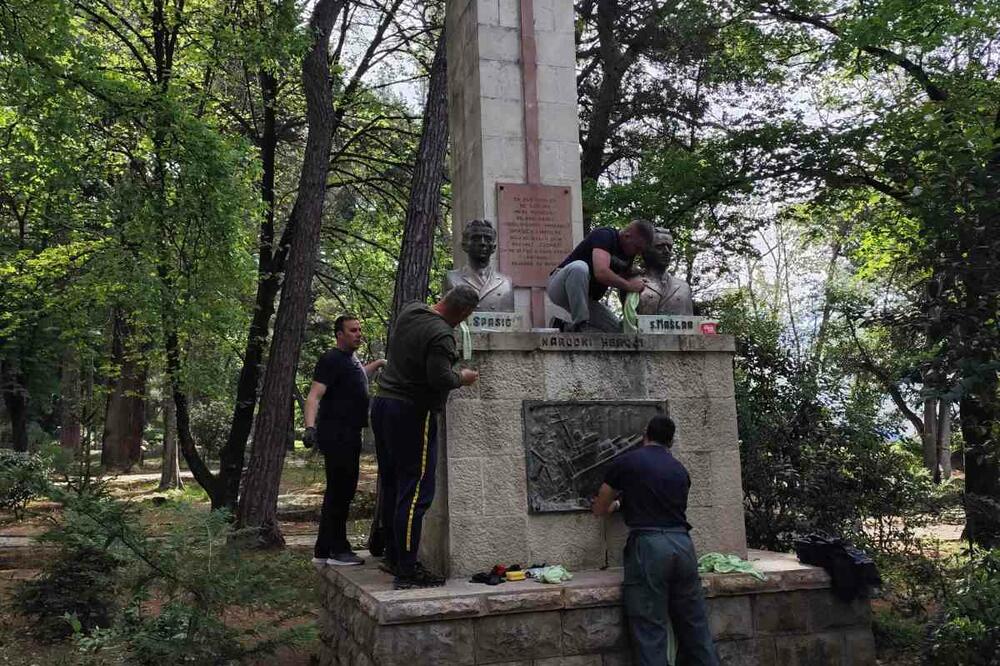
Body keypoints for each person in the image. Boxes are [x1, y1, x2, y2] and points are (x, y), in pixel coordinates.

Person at [371, 285, 480, 589]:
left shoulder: (411, 311)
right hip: (412, 413)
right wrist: (464, 378)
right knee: (417, 490)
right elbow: (440, 377)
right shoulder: (442, 335)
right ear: (463, 312)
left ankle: (393, 556)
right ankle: (407, 569)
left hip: (383, 405)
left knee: (393, 483)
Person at [592, 415, 719, 666]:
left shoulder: (627, 462)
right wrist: (622, 504)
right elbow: (657, 500)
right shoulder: (680, 470)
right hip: (682, 545)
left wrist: (604, 507)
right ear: (670, 441)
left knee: (650, 627)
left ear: (645, 434)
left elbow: (601, 505)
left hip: (649, 547)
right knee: (694, 625)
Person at [304, 315, 386, 566]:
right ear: (339, 334)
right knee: (341, 490)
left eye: (360, 330)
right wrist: (309, 427)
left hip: (350, 432)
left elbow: (358, 375)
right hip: (337, 433)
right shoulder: (330, 359)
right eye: (353, 330)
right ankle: (338, 550)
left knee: (341, 490)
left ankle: (323, 549)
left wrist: (379, 362)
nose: (358, 334)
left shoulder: (350, 359)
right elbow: (314, 395)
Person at [547, 219, 655, 332]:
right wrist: (629, 285)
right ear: (627, 236)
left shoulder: (628, 253)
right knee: (579, 267)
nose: (637, 253)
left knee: (617, 331)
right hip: (561, 286)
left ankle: (564, 327)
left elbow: (619, 275)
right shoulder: (605, 235)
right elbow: (601, 273)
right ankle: (580, 323)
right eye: (637, 247)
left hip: (585, 298)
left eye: (641, 250)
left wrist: (638, 275)